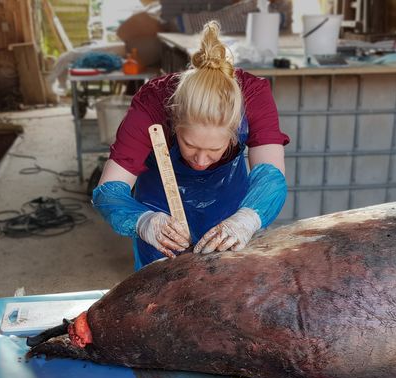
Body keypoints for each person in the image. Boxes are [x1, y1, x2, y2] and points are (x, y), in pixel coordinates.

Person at [92, 21, 289, 270]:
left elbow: (271, 177)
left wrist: (246, 219)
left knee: (229, 286)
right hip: (161, 210)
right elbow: (108, 191)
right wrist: (144, 221)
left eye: (215, 150)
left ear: (233, 133)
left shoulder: (253, 96)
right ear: (175, 121)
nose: (201, 161)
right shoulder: (152, 104)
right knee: (160, 293)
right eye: (190, 145)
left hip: (229, 204)